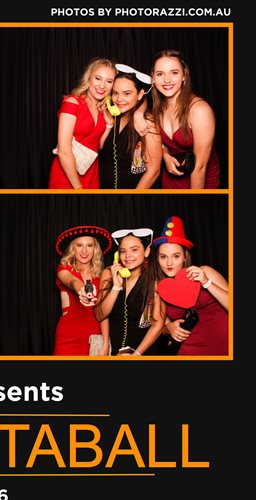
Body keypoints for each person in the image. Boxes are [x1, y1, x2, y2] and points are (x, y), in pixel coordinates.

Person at [151, 216, 228, 355]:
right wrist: (169, 328)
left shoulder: (205, 272)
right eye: (163, 257)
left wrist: (206, 282)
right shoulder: (159, 287)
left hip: (223, 345)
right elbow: (159, 325)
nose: (169, 263)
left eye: (176, 256)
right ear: (157, 259)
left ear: (185, 256)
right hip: (188, 350)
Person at [150, 49, 220, 189]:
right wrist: (165, 155)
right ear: (153, 78)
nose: (167, 80)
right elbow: (162, 143)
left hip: (200, 178)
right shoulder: (158, 108)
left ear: (184, 76)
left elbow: (200, 166)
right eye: (160, 74)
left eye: (174, 73)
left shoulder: (199, 110)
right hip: (171, 177)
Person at [94, 228, 164, 355]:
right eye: (123, 251)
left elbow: (157, 324)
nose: (128, 256)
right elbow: (99, 315)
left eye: (134, 250)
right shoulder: (109, 273)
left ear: (146, 251)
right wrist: (116, 287)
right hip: (115, 353)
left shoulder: (154, 281)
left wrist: (136, 355)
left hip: (142, 353)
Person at [48, 58, 116, 189]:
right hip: (66, 175)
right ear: (89, 78)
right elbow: (63, 151)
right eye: (98, 78)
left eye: (109, 81)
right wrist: (78, 187)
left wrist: (108, 125)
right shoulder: (72, 102)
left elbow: (98, 146)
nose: (102, 86)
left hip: (91, 174)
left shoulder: (103, 110)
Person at [98, 64, 163, 189]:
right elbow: (99, 148)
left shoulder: (147, 122)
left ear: (140, 94)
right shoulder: (112, 116)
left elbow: (153, 171)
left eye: (127, 93)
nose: (119, 99)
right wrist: (109, 124)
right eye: (115, 93)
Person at [52, 225, 111, 355]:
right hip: (68, 337)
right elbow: (71, 281)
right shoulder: (64, 269)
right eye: (79, 245)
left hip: (94, 338)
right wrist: (82, 289)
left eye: (89, 245)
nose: (84, 251)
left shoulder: (102, 275)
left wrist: (105, 343)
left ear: (95, 249)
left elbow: (103, 313)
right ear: (73, 248)